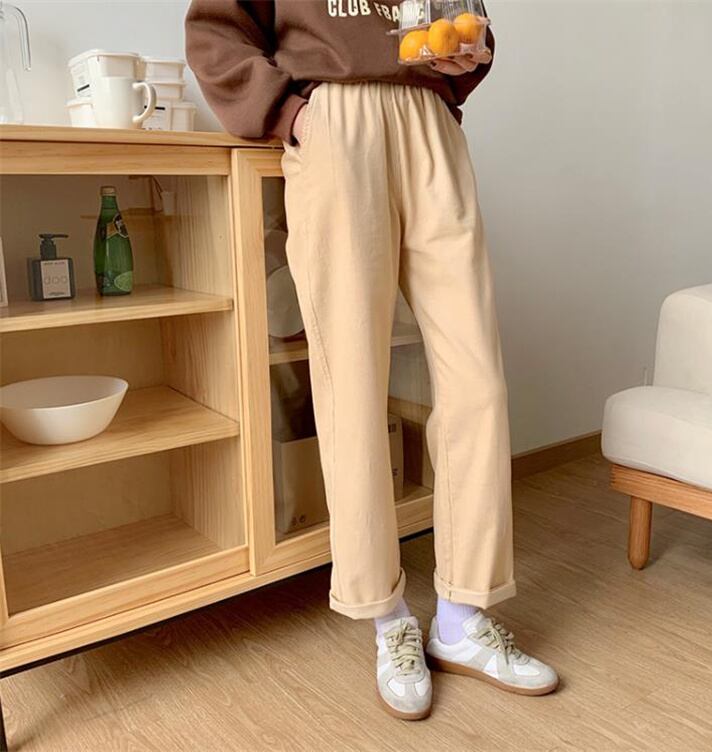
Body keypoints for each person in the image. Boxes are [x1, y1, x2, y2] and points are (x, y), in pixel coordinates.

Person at [185, 0, 558, 720]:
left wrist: (470, 56)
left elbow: (465, 20)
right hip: (336, 120)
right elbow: (215, 29)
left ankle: (462, 616)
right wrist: (293, 116)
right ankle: (388, 617)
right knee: (351, 382)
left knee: (478, 383)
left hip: (430, 123)